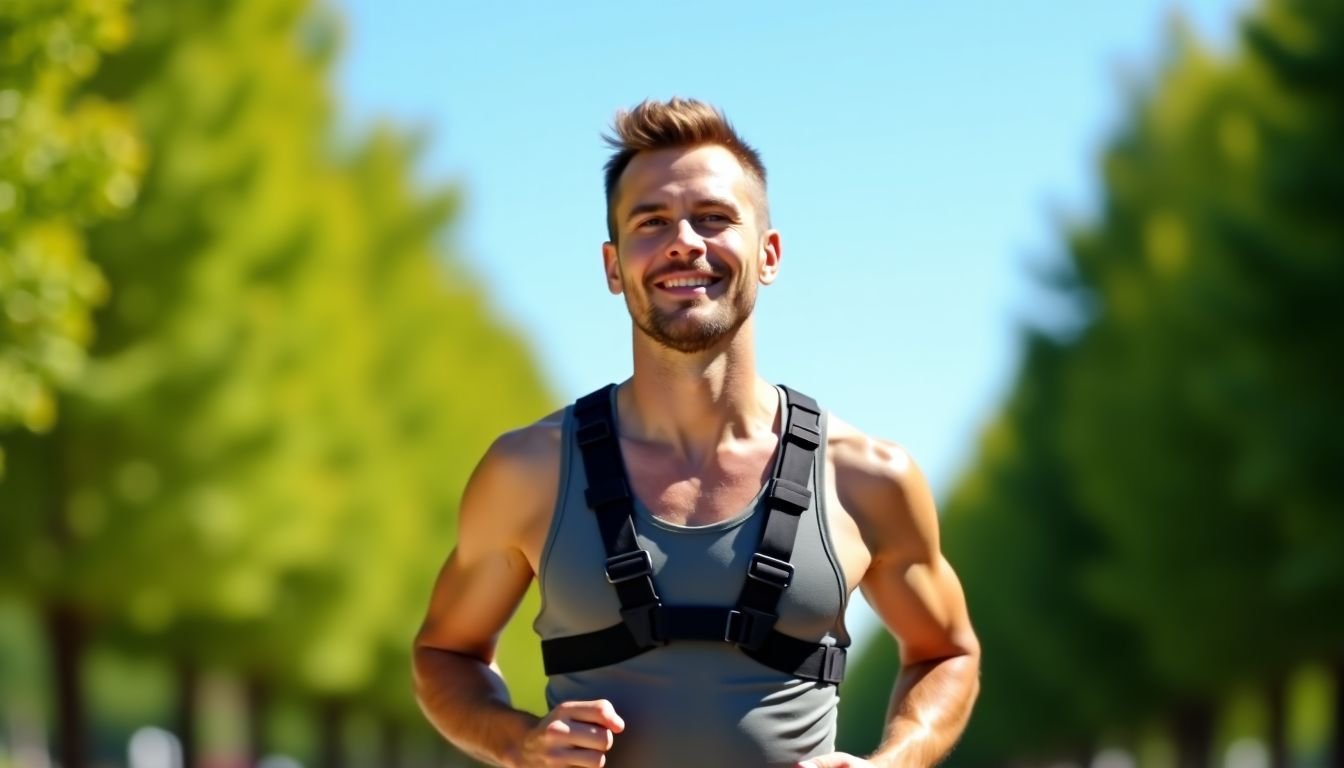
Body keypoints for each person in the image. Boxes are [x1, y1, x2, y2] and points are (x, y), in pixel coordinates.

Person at [412, 97, 980, 768]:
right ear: (612, 266)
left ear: (768, 254)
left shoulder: (865, 477)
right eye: (651, 223)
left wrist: (895, 762)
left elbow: (947, 652)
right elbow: (443, 655)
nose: (685, 241)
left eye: (713, 218)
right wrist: (517, 740)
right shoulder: (528, 470)